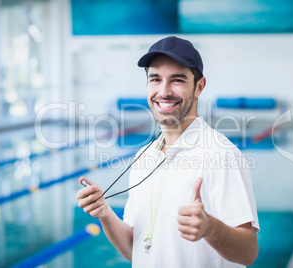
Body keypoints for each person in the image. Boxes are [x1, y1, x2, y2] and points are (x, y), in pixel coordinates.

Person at [76, 36, 260, 267]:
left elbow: (248, 253)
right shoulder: (145, 156)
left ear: (199, 87)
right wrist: (104, 212)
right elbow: (137, 250)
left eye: (177, 80)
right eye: (155, 79)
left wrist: (209, 228)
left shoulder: (222, 155)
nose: (164, 91)